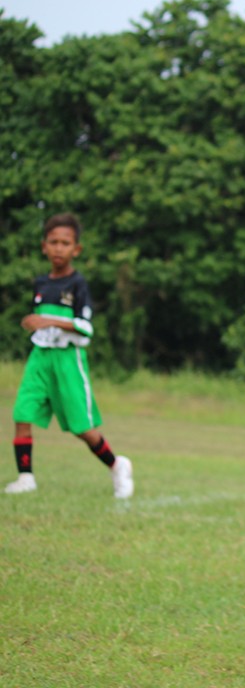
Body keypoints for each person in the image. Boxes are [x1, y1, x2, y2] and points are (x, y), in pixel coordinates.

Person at [6, 213, 134, 500]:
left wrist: (49, 321)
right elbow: (41, 321)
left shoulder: (78, 284)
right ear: (44, 246)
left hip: (68, 361)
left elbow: (86, 328)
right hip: (40, 358)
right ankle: (26, 478)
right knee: (22, 413)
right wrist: (36, 323)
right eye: (53, 242)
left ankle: (117, 465)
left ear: (76, 249)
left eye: (65, 243)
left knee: (82, 428)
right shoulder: (41, 283)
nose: (58, 248)